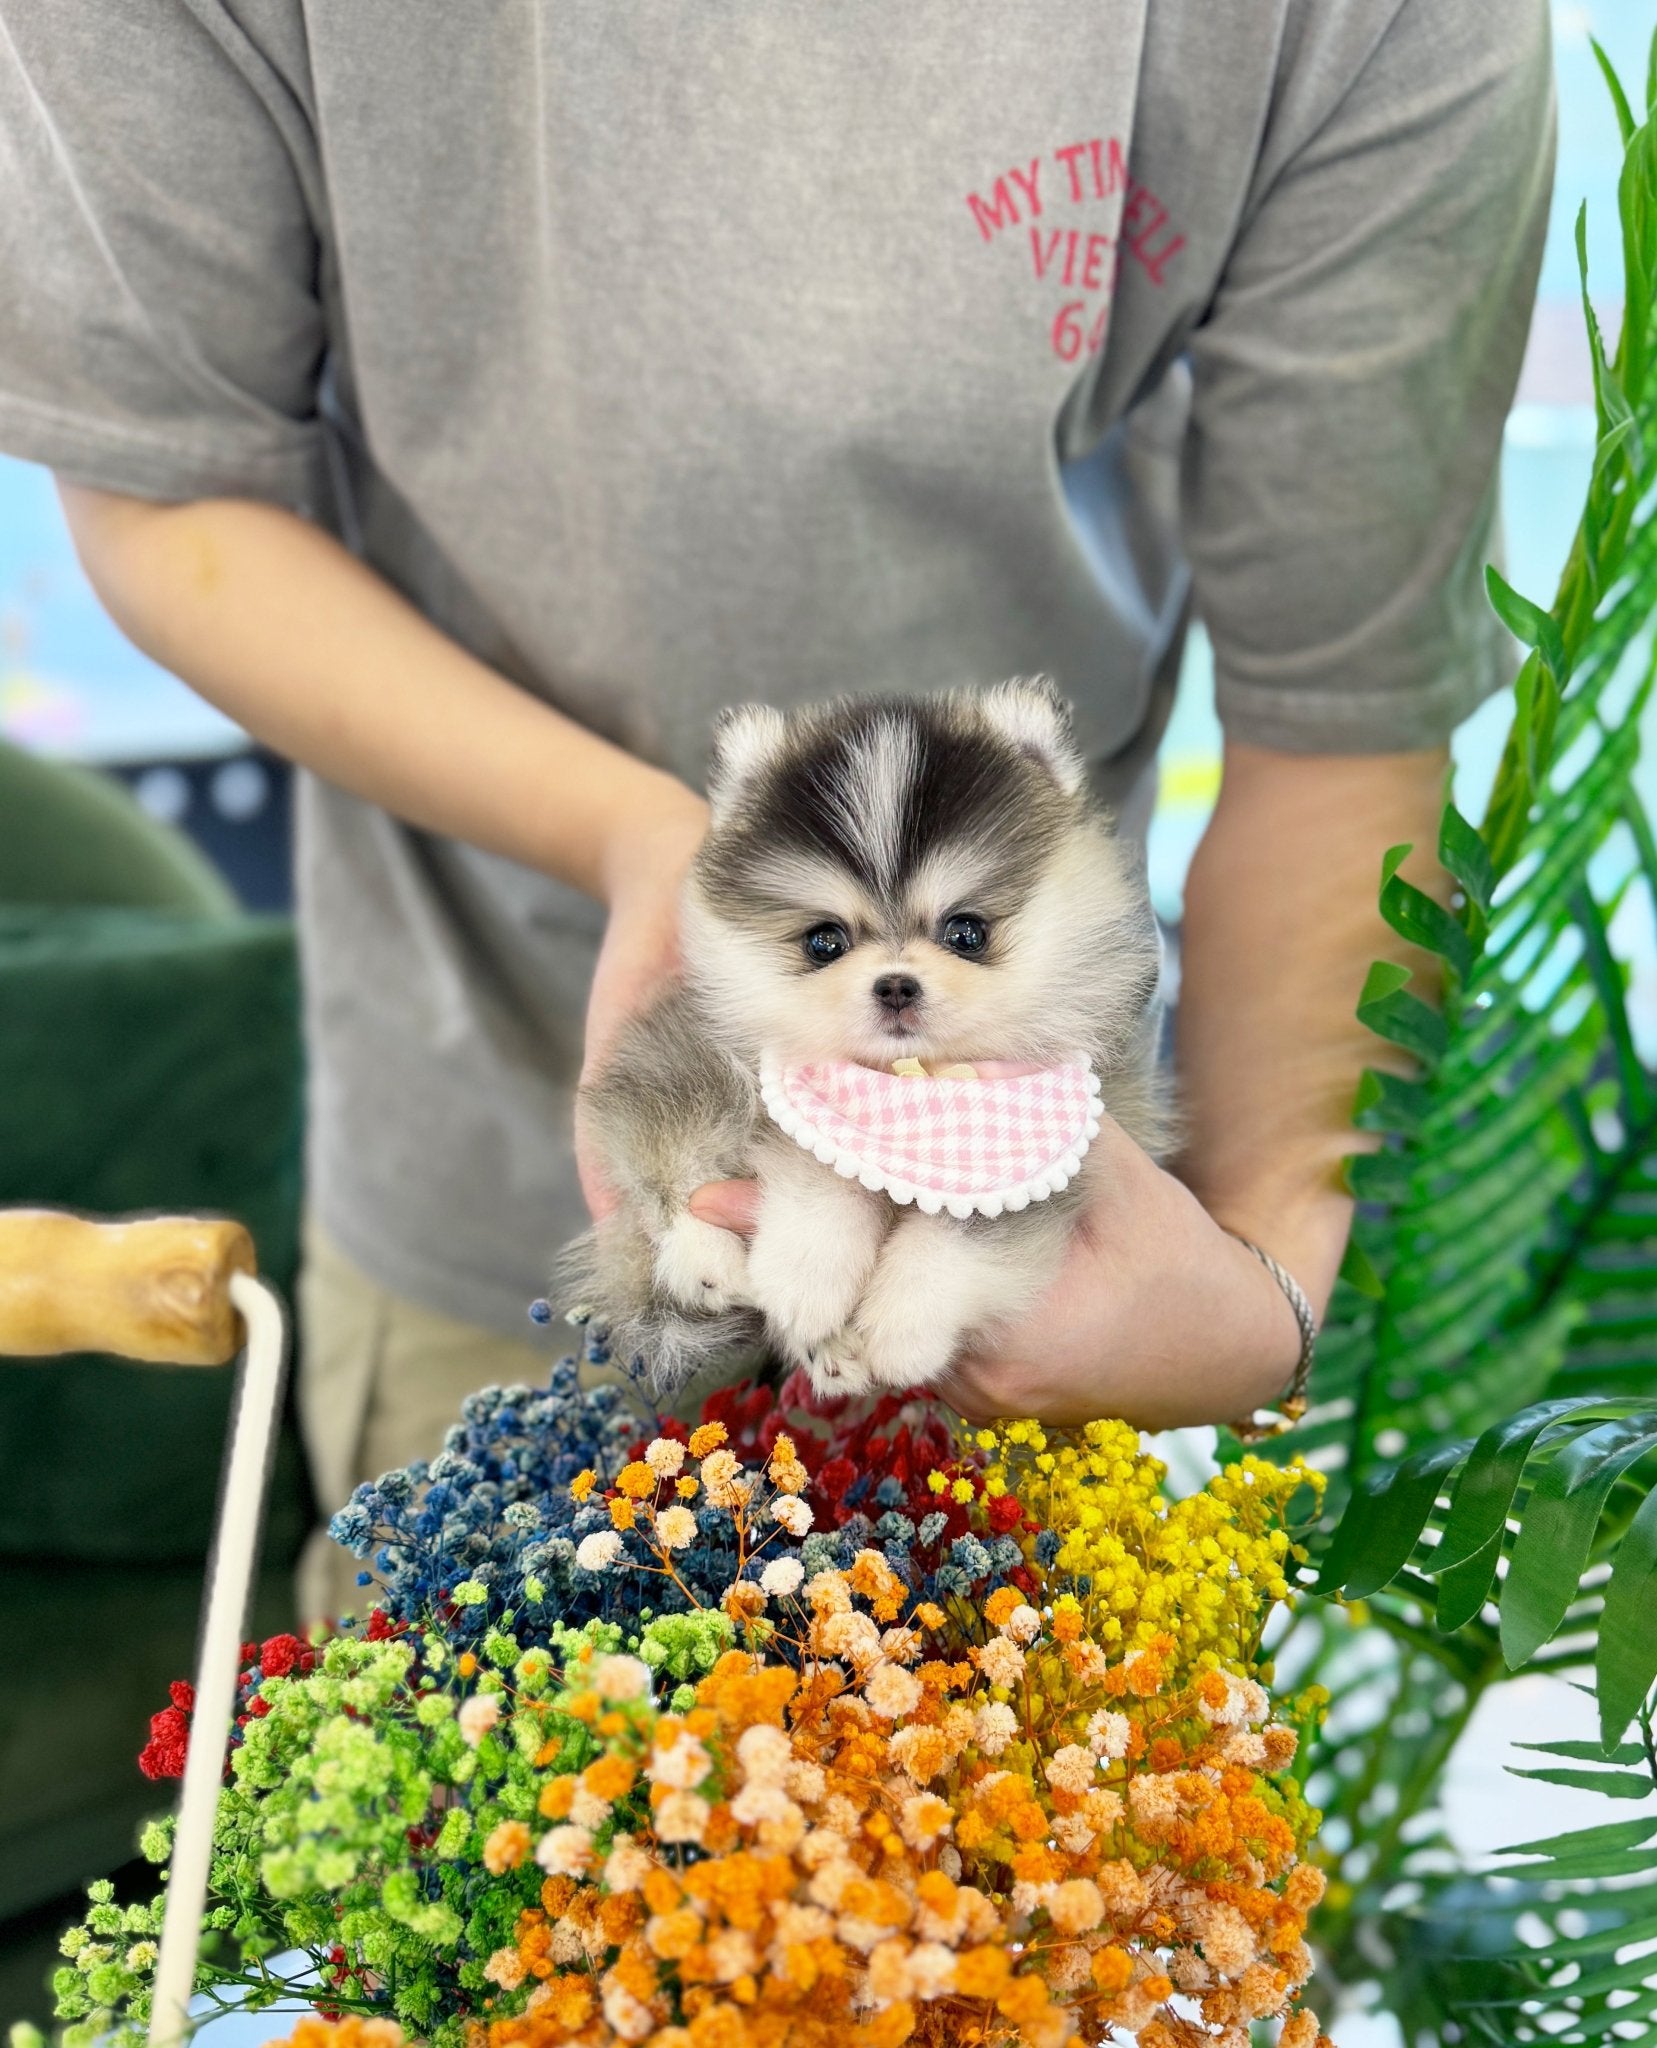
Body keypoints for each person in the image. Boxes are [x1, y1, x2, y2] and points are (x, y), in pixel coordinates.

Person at [0, 1, 1553, 1619]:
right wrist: (628, 839)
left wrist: (1256, 1291)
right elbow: (174, 485)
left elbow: (1345, 713)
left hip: (1071, 1238)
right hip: (478, 1160)